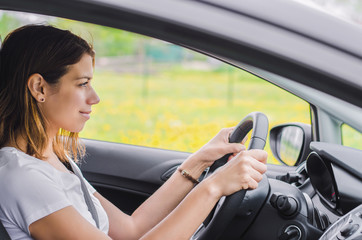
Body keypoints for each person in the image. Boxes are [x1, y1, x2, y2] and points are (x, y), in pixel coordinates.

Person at [0, 24, 267, 240]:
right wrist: (214, 187)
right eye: (82, 84)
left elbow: (131, 229)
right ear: (39, 88)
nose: (95, 98)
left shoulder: (52, 159)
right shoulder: (22, 177)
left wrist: (200, 161)